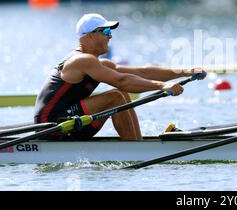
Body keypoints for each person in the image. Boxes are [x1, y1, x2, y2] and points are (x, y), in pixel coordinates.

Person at [34, 13, 206, 141]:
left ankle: (137, 143)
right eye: (106, 31)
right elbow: (121, 80)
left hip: (72, 121)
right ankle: (135, 149)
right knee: (115, 96)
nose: (110, 36)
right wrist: (162, 86)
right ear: (90, 35)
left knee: (121, 94)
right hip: (52, 126)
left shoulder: (98, 63)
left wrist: (186, 71)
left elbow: (142, 72)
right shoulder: (82, 60)